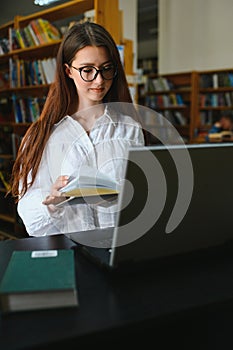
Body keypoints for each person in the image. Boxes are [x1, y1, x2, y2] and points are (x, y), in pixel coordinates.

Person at [10, 22, 145, 237]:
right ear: (68, 71)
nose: (99, 80)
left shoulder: (129, 130)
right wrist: (51, 204)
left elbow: (138, 202)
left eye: (106, 68)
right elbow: (29, 217)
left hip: (119, 251)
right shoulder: (42, 135)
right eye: (87, 70)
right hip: (67, 251)